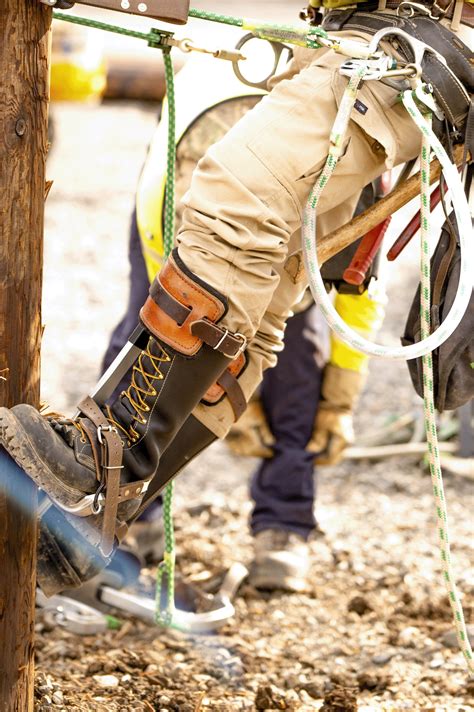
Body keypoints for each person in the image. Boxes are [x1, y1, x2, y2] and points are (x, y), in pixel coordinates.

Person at [0, 0, 470, 597]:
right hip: (386, 44)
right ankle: (103, 511)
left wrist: (341, 394)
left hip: (412, 47)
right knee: (268, 293)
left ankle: (109, 456)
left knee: (236, 200)